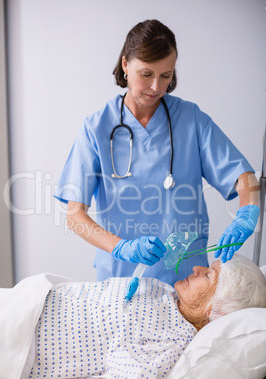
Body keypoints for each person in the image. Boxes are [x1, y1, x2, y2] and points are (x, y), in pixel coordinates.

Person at [54, 19, 260, 285]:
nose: (156, 88)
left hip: (187, 282)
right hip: (120, 278)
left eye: (166, 76)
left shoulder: (191, 119)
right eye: (147, 74)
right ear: (126, 65)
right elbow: (74, 215)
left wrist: (246, 214)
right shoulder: (96, 128)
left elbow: (245, 178)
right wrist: (121, 247)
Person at [0, 254, 265, 379]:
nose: (196, 268)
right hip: (24, 298)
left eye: (208, 275)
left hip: (17, 335)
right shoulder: (167, 294)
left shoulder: (169, 342)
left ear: (216, 309)